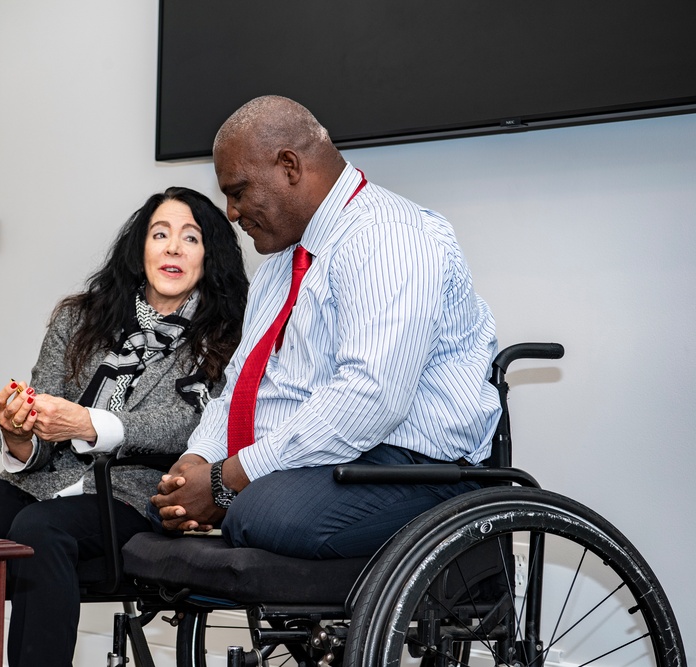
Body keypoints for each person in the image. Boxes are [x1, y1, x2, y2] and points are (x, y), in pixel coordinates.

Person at [0, 186, 248, 667]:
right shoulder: (80, 317)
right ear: (138, 247)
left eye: (191, 237)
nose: (172, 248)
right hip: (36, 482)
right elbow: (40, 422)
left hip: (133, 495)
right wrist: (19, 434)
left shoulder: (225, 335)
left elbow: (193, 424)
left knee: (39, 530)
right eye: (159, 234)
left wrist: (89, 422)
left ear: (211, 256)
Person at [151, 96, 501, 560]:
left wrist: (226, 481)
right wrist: (197, 463)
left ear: (289, 166)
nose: (231, 213)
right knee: (185, 510)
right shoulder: (282, 265)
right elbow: (241, 385)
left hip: (416, 469)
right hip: (322, 464)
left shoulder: (389, 235)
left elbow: (370, 398)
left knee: (256, 514)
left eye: (237, 191)